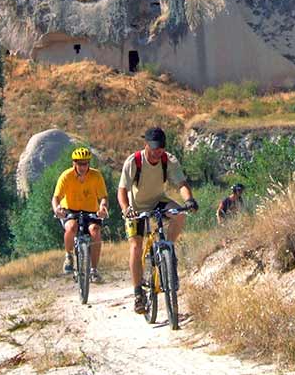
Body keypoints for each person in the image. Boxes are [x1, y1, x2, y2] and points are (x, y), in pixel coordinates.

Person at [118, 127, 197, 313]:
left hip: (158, 202)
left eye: (160, 149)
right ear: (146, 145)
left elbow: (181, 184)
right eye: (153, 149)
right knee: (136, 246)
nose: (156, 153)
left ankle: (167, 251)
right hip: (135, 207)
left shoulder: (168, 160)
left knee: (179, 214)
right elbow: (122, 190)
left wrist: (189, 200)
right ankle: (138, 294)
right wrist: (125, 209)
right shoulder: (134, 161)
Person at [52, 146, 109, 282]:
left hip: (90, 210)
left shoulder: (96, 176)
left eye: (85, 163)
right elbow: (56, 197)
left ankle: (94, 270)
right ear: (74, 164)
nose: (83, 167)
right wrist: (57, 209)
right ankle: (69, 256)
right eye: (80, 164)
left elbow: (103, 197)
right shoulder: (66, 176)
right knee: (71, 227)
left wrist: (103, 208)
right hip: (70, 209)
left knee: (95, 231)